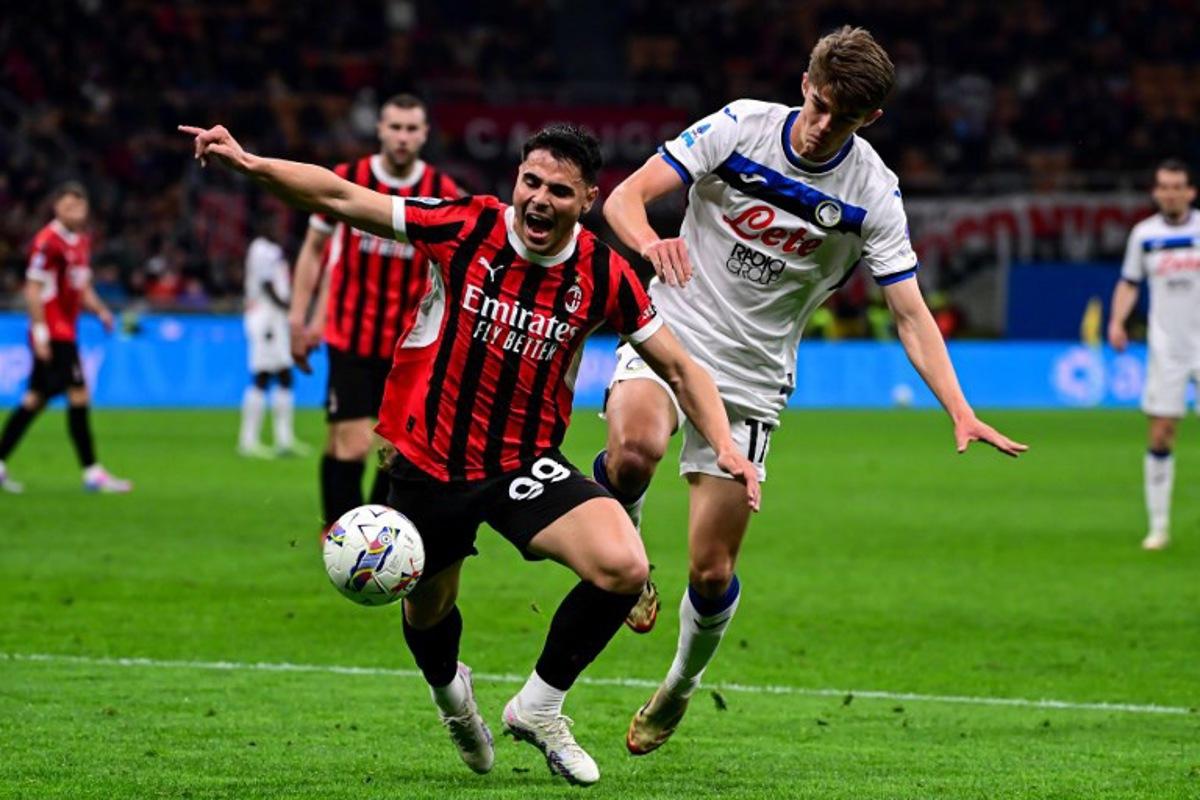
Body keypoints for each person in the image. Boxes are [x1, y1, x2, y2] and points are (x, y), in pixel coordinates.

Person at [179, 121, 761, 786]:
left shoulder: (602, 272)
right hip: (430, 465)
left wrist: (726, 448)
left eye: (559, 191)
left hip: (524, 463)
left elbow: (683, 368)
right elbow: (341, 197)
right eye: (531, 182)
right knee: (428, 611)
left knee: (624, 567)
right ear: (517, 180)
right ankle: (453, 700)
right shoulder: (467, 227)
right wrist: (249, 162)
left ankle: (539, 707)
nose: (539, 199)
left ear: (587, 200)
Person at [596, 25, 1027, 755]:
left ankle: (679, 686)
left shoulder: (873, 192)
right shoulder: (738, 127)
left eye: (846, 119)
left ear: (871, 121)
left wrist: (960, 408)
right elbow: (624, 199)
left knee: (712, 567)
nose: (826, 126)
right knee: (634, 448)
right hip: (675, 333)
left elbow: (910, 311)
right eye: (821, 104)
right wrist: (649, 244)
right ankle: (629, 552)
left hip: (755, 377)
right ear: (805, 82)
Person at [286, 93, 461, 528]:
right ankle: (342, 537)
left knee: (397, 450)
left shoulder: (444, 194)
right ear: (380, 129)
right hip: (350, 336)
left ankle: (379, 534)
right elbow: (314, 251)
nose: (402, 137)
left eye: (411, 129)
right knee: (351, 444)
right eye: (395, 127)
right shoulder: (348, 180)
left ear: (424, 135)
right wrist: (299, 318)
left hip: (412, 347)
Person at [0, 182, 132, 494]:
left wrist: (100, 311)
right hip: (53, 332)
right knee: (78, 394)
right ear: (56, 208)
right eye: (69, 206)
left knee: (36, 399)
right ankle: (93, 473)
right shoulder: (47, 242)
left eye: (80, 206)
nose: (75, 211)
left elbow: (81, 286)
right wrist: (41, 332)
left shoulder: (81, 241)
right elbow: (32, 289)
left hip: (65, 331)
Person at [1108, 158, 1199, 551]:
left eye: (1178, 186)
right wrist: (1116, 321)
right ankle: (1158, 527)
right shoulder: (1144, 234)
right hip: (1167, 348)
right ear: (1156, 191)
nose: (1171, 192)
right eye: (1164, 186)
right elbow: (1129, 282)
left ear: (1190, 192)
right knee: (1161, 432)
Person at [238, 220, 304, 458]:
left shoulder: (268, 249)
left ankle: (283, 439)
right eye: (274, 224)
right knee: (263, 376)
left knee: (285, 376)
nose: (279, 228)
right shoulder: (263, 249)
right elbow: (266, 284)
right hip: (266, 318)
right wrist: (288, 306)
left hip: (273, 319)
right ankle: (248, 440)